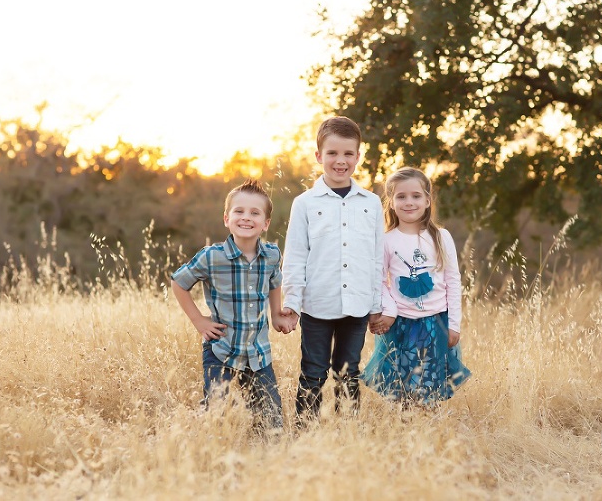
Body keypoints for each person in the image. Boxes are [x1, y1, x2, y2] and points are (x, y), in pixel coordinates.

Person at [280, 111, 385, 416]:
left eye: (348, 153)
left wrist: (376, 304)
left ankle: (345, 436)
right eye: (333, 153)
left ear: (358, 156)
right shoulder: (305, 203)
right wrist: (293, 303)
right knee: (313, 372)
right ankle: (305, 432)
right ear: (318, 155)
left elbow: (377, 258)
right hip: (317, 304)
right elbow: (296, 257)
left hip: (357, 305)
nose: (341, 160)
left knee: (349, 374)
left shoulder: (370, 203)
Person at [172, 176, 285, 427]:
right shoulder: (212, 257)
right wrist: (199, 321)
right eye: (239, 211)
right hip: (220, 349)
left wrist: (276, 313)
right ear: (227, 219)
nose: (246, 217)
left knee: (272, 420)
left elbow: (275, 282)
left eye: (255, 213)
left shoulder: (271, 255)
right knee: (215, 413)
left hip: (257, 353)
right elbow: (178, 282)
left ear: (265, 224)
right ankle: (210, 448)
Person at [363, 162, 470, 407]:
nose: (409, 202)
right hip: (400, 324)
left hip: (435, 323)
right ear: (391, 202)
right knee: (402, 388)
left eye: (415, 196)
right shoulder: (387, 240)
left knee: (429, 387)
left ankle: (427, 429)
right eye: (401, 196)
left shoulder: (440, 237)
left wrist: (454, 324)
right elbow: (377, 281)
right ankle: (404, 430)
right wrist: (389, 311)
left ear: (427, 200)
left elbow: (453, 281)